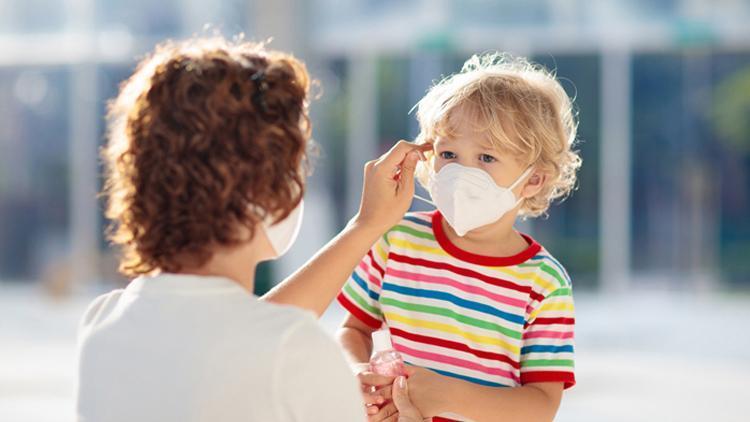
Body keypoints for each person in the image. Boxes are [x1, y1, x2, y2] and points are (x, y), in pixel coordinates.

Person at [75, 36, 429, 422]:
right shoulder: (295, 353)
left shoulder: (104, 324)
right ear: (265, 187)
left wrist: (367, 226)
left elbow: (228, 334)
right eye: (298, 163)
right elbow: (260, 338)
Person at [336, 53, 581, 421]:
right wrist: (355, 371)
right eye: (448, 153)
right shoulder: (397, 241)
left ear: (533, 179)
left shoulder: (544, 283)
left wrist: (447, 396)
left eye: (486, 157)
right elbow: (352, 329)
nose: (461, 172)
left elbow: (541, 406)